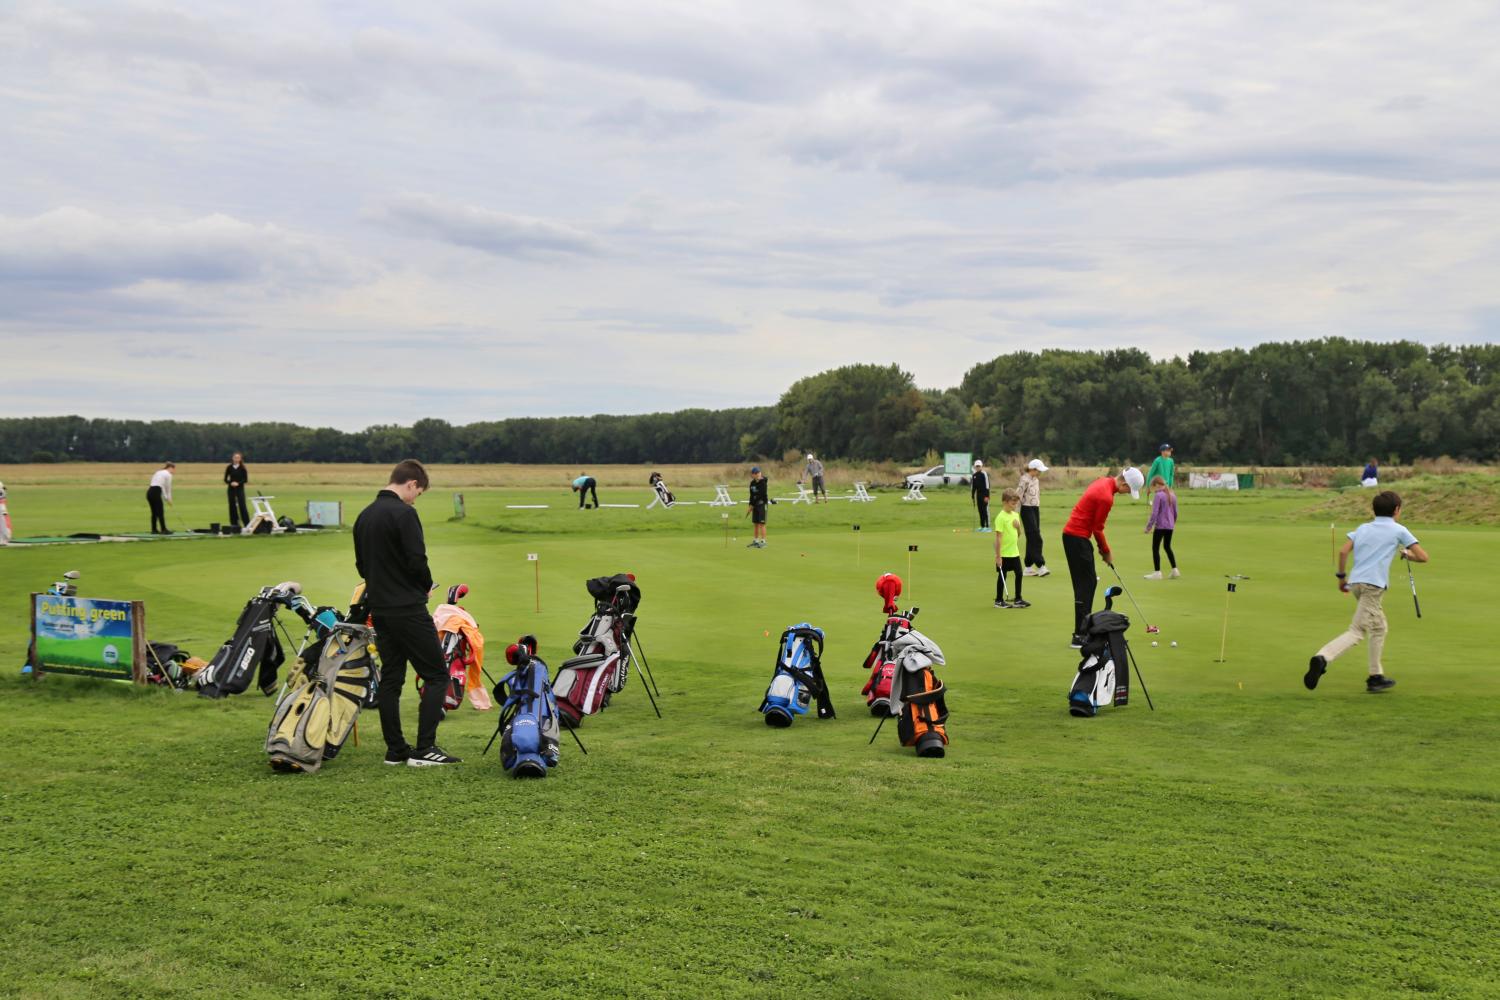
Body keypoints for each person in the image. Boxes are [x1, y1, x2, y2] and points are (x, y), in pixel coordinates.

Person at [353, 460, 458, 767]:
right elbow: (417, 560)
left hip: (380, 609)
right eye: (418, 493)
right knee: (437, 675)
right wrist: (425, 586)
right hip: (408, 609)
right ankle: (425, 749)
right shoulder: (404, 513)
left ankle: (396, 750)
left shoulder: (364, 515)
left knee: (392, 678)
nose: (415, 499)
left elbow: (362, 567)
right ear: (411, 484)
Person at [1305, 490, 1428, 694]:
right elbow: (1423, 557)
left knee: (1379, 627)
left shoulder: (1363, 528)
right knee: (1357, 631)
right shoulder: (1399, 530)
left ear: (1374, 509)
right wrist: (1408, 555)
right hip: (1373, 587)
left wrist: (1341, 578)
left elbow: (1343, 551)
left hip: (1356, 584)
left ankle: (1375, 677)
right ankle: (1322, 657)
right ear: (1396, 510)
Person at [1061, 466, 1144, 647]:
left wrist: (1102, 550)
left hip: (1075, 537)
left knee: (1088, 583)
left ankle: (1082, 631)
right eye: (1129, 490)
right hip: (1077, 538)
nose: (1126, 493)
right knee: (1085, 585)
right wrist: (1106, 551)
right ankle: (1079, 635)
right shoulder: (1106, 497)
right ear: (1124, 484)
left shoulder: (1103, 481)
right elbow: (1097, 529)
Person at [993, 489, 1028, 609]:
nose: (1015, 505)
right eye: (1013, 503)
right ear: (1005, 502)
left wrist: (1018, 527)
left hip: (1014, 552)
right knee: (1003, 576)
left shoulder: (1015, 515)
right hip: (1004, 553)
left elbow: (1018, 535)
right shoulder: (1000, 517)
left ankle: (1018, 599)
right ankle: (998, 600)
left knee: (1019, 573)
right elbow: (998, 538)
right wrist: (998, 556)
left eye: (1016, 503)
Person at [1143, 474, 1179, 579]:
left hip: (1160, 526)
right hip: (1170, 526)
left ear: (1157, 485)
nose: (1153, 489)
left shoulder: (1158, 496)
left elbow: (1154, 513)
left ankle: (1157, 573)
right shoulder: (1172, 495)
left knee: (1155, 548)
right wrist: (1172, 523)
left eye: (1153, 487)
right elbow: (1175, 513)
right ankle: (1175, 570)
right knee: (1167, 547)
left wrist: (1148, 527)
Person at [1018, 458, 1050, 576]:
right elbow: (1018, 496)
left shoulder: (1036, 480)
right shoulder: (1024, 480)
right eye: (1039, 470)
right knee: (1036, 538)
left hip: (1035, 509)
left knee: (1032, 538)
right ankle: (1041, 566)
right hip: (1026, 509)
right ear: (1033, 469)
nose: (1040, 472)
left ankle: (1028, 567)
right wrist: (1014, 514)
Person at [146, 462, 175, 534]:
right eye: (173, 469)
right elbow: (168, 488)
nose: (174, 471)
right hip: (156, 492)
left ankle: (154, 530)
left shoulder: (158, 472)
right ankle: (163, 529)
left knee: (154, 512)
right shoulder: (168, 474)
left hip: (149, 492)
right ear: (170, 468)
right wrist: (169, 499)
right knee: (160, 512)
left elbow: (161, 486)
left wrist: (166, 498)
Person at [223, 452, 250, 528]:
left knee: (242, 505)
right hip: (231, 489)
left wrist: (238, 483)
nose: (236, 459)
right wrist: (230, 483)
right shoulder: (229, 467)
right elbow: (225, 479)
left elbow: (245, 480)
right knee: (232, 506)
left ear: (240, 459)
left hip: (240, 489)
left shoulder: (243, 468)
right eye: (235, 457)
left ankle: (247, 524)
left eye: (238, 458)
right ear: (232, 458)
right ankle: (234, 524)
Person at [746, 466, 770, 547]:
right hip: (755, 505)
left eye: (759, 473)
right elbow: (751, 495)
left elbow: (761, 495)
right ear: (752, 475)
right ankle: (756, 541)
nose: (758, 474)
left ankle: (763, 541)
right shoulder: (752, 483)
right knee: (756, 523)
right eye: (756, 473)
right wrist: (750, 505)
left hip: (762, 504)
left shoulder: (763, 483)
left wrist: (752, 504)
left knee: (761, 523)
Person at [971, 460, 991, 532]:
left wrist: (987, 496)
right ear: (975, 467)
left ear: (981, 466)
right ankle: (982, 526)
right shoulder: (974, 475)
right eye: (976, 466)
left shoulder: (984, 474)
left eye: (979, 466)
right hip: (978, 495)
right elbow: (973, 487)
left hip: (984, 495)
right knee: (980, 511)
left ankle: (987, 526)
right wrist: (972, 495)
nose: (978, 467)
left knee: (985, 510)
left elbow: (987, 486)